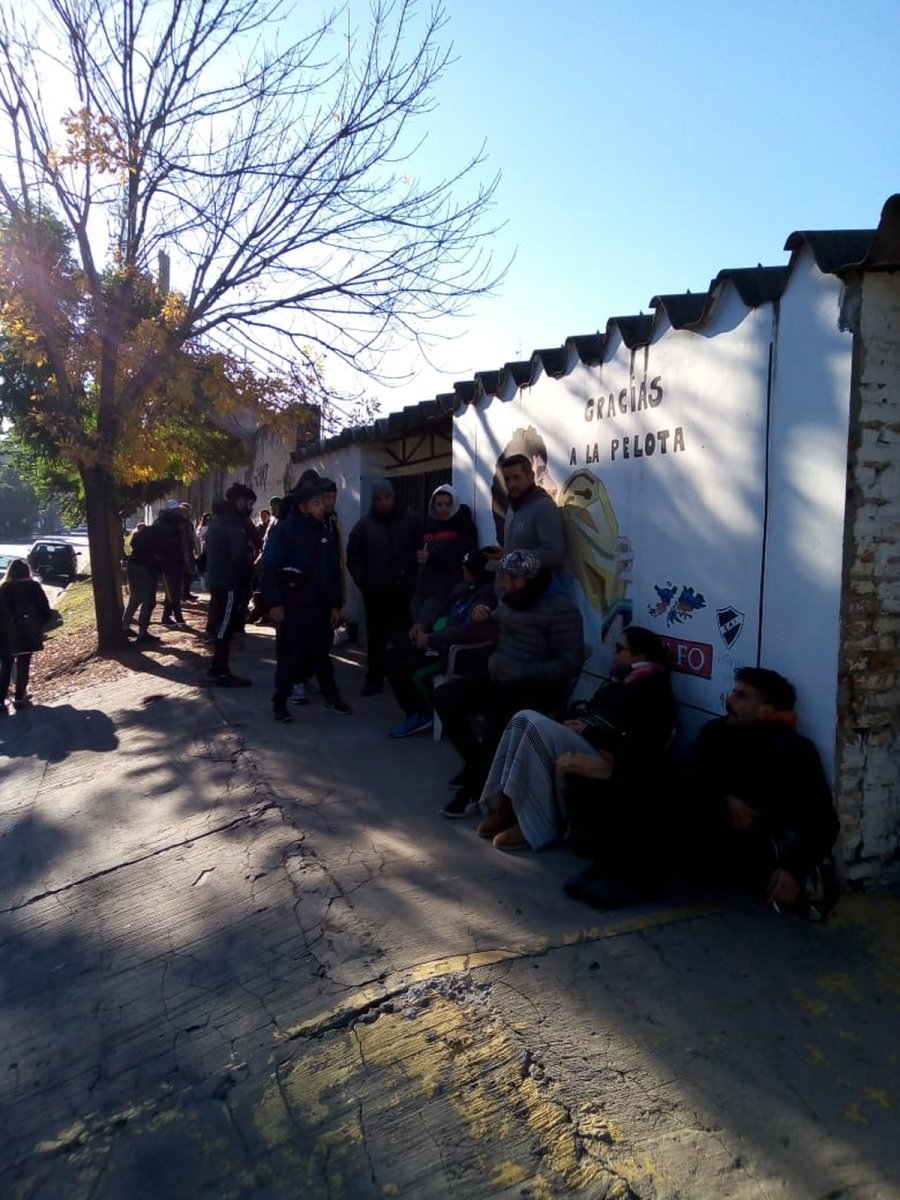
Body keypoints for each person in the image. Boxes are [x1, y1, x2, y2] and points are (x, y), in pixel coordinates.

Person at [476, 626, 675, 852]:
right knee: (523, 718)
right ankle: (509, 804)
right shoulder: (619, 681)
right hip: (589, 737)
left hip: (605, 753)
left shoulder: (651, 689)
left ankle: (537, 825)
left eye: (619, 648)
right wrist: (574, 722)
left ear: (640, 656)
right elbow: (590, 709)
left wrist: (588, 731)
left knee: (537, 724)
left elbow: (639, 741)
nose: (613, 653)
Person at [673, 667, 841, 917]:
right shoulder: (717, 732)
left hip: (751, 855)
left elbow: (823, 822)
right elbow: (685, 774)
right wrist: (724, 800)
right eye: (734, 692)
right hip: (703, 840)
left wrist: (793, 870)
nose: (729, 700)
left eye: (742, 696)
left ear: (767, 710)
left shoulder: (793, 750)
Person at [432, 549, 584, 817]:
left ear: (529, 579)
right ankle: (476, 763)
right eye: (503, 577)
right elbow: (496, 633)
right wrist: (482, 620)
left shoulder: (561, 610)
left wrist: (526, 671)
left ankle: (471, 791)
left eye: (510, 578)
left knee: (496, 721)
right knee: (444, 697)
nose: (503, 583)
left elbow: (570, 663)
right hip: (498, 677)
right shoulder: (510, 598)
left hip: (534, 687)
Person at [261, 482, 352, 722]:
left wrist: (335, 604)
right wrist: (274, 604)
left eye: (323, 502)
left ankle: (332, 697)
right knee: (289, 657)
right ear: (303, 506)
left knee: (323, 656)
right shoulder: (285, 531)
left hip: (320, 606)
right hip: (293, 605)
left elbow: (331, 570)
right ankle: (280, 703)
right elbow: (269, 568)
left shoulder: (325, 531)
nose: (322, 507)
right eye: (316, 503)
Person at [385, 548, 497, 738]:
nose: (463, 571)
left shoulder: (484, 598)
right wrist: (423, 626)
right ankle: (413, 711)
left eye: (466, 568)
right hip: (434, 641)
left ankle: (424, 713)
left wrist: (430, 639)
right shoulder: (462, 588)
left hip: (451, 652)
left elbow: (467, 632)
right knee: (391, 659)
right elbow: (444, 613)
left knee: (412, 673)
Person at [346, 478, 424, 696]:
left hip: (405, 592)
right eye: (378, 499)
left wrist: (414, 579)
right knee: (377, 638)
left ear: (394, 497)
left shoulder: (411, 521)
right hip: (376, 593)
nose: (383, 502)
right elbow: (353, 556)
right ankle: (375, 678)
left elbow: (423, 550)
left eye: (387, 497)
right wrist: (364, 580)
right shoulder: (364, 526)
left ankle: (411, 678)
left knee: (408, 635)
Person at [291, 476, 346, 705]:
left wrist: (336, 599)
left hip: (325, 593)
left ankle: (309, 678)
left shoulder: (332, 521)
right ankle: (297, 683)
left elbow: (334, 563)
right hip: (304, 597)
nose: (329, 502)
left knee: (322, 644)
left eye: (333, 497)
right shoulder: (299, 526)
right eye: (325, 498)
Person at [204, 482, 257, 686]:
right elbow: (238, 556)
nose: (250, 507)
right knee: (225, 627)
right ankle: (220, 670)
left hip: (218, 580)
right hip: (229, 582)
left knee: (222, 625)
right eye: (249, 503)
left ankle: (218, 668)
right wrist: (248, 573)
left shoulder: (219, 519)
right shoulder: (233, 523)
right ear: (240, 501)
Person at [409, 484, 478, 633]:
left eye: (447, 504)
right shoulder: (429, 525)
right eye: (439, 504)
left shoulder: (463, 526)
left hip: (444, 589)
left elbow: (464, 557)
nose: (443, 508)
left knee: (426, 629)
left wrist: (432, 558)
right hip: (422, 587)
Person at [484, 453, 565, 574]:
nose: (511, 484)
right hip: (509, 590)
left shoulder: (543, 506)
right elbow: (518, 550)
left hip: (536, 591)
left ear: (531, 476)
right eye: (507, 479)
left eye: (516, 477)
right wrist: (502, 554)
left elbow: (553, 553)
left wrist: (512, 560)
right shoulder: (513, 508)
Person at [0, 558, 53, 713]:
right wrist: (36, 625)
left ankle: (1, 700)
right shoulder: (34, 586)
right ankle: (19, 698)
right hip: (27, 635)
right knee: (24, 666)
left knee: (6, 667)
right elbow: (46, 611)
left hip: (6, 635)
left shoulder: (4, 588)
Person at [122, 522, 167, 644]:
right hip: (145, 568)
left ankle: (125, 627)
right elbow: (158, 555)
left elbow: (133, 543)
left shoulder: (143, 534)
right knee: (149, 600)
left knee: (135, 598)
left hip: (132, 565)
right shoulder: (159, 536)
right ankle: (142, 633)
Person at [154, 500, 189, 628]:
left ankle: (167, 616)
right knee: (173, 590)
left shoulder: (173, 523)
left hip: (174, 560)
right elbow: (166, 545)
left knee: (173, 590)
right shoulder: (169, 524)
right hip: (169, 561)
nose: (179, 512)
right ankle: (178, 617)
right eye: (176, 510)